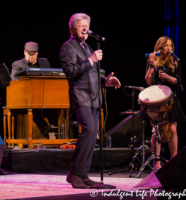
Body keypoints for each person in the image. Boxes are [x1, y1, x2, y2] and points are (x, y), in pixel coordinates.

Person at [59, 13, 121, 188]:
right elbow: (71, 73)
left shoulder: (86, 47)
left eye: (87, 26)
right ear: (72, 29)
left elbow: (92, 73)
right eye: (81, 26)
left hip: (94, 97)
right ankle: (74, 174)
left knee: (93, 135)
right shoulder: (67, 47)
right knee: (88, 131)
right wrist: (91, 60)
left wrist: (106, 81)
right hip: (81, 96)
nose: (85, 29)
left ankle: (83, 174)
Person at [144, 36, 186, 169]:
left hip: (170, 99)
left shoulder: (175, 62)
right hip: (155, 100)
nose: (169, 48)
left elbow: (178, 82)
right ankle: (157, 163)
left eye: (170, 46)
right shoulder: (153, 60)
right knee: (156, 131)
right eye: (166, 46)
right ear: (160, 48)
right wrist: (151, 65)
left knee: (172, 129)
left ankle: (174, 161)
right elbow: (148, 81)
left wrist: (167, 77)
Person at [11, 42, 56, 137]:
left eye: (33, 54)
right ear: (24, 52)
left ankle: (56, 130)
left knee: (56, 106)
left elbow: (51, 78)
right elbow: (13, 80)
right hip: (26, 98)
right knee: (34, 108)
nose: (31, 57)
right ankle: (45, 129)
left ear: (37, 53)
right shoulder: (17, 64)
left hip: (44, 97)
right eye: (28, 54)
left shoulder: (45, 62)